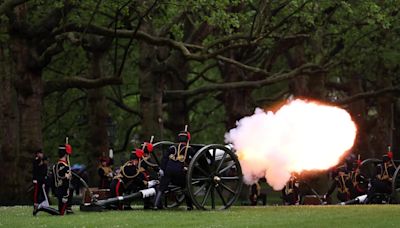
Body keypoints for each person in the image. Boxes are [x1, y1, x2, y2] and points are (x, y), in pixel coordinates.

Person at [154, 129, 195, 210]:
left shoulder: (172, 147)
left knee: (161, 188)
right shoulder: (189, 149)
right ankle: (189, 206)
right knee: (185, 187)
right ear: (187, 139)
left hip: (168, 171)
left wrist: (162, 169)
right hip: (179, 172)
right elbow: (194, 160)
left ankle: (155, 205)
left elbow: (164, 159)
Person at [34, 143, 73, 216]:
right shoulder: (61, 164)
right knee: (60, 213)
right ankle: (42, 207)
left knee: (61, 211)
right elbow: (60, 175)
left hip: (63, 189)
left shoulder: (63, 164)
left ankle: (43, 208)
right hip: (62, 189)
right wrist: (67, 175)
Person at [32, 149, 48, 213]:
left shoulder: (44, 160)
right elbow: (35, 170)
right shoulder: (36, 161)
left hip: (42, 179)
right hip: (37, 179)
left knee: (43, 191)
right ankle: (36, 203)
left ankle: (43, 202)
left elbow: (44, 170)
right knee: (36, 192)